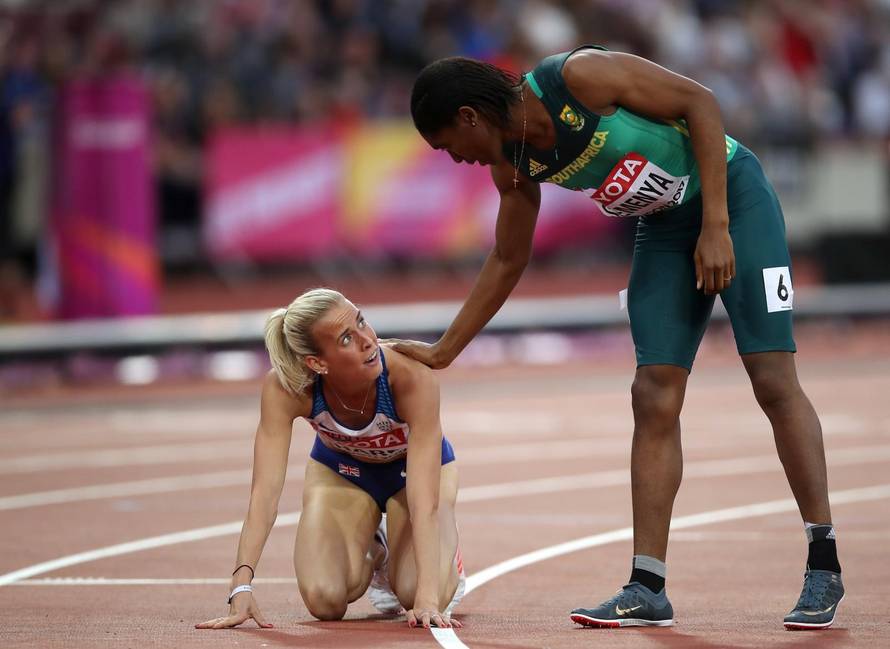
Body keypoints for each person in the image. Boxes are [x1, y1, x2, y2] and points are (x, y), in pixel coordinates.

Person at [395, 46, 843, 630]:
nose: (456, 160)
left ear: (468, 117)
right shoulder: (511, 164)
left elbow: (700, 104)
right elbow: (508, 257)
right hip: (661, 227)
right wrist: (445, 349)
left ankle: (824, 563)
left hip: (733, 199)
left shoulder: (578, 77)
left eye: (448, 146)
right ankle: (647, 585)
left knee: (772, 380)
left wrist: (716, 225)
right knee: (652, 392)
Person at [196, 288, 464, 631]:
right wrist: (242, 584)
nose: (368, 340)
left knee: (415, 592)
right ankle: (377, 550)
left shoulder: (410, 377)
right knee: (324, 599)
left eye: (362, 321)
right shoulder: (287, 388)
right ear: (317, 363)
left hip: (415, 477)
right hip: (343, 474)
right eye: (347, 339)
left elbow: (423, 500)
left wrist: (428, 597)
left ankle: (447, 554)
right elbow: (264, 494)